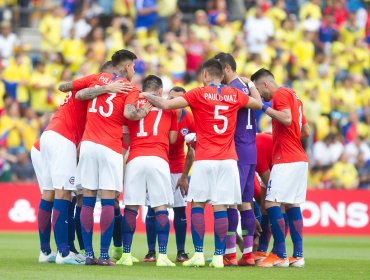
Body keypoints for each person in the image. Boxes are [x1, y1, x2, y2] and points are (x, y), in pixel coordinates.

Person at [142, 58, 263, 268]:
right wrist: (250, 84)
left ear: (205, 75)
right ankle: (219, 257)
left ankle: (198, 254)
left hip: (205, 158)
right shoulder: (234, 94)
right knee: (221, 207)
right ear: (222, 75)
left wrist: (143, 94)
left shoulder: (198, 93)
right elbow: (259, 103)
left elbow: (166, 104)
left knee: (197, 204)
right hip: (228, 160)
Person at [36, 60, 129, 265]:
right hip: (64, 139)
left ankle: (46, 251)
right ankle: (63, 253)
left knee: (50, 193)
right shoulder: (98, 86)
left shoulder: (86, 85)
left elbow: (63, 87)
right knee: (64, 193)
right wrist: (108, 87)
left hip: (46, 138)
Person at [76, 50, 151, 266]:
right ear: (127, 67)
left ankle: (88, 254)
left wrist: (104, 89)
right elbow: (129, 113)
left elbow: (79, 95)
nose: (134, 71)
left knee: (88, 198)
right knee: (109, 199)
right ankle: (103, 255)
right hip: (110, 147)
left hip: (89, 144)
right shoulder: (130, 88)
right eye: (134, 67)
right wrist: (142, 112)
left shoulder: (99, 79)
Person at [251, 68, 310, 268]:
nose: (262, 95)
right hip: (299, 158)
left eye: (260, 90)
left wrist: (263, 107)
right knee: (292, 205)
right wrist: (282, 135)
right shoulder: (295, 95)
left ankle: (280, 255)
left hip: (286, 159)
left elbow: (285, 118)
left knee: (271, 203)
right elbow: (305, 131)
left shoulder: (281, 94)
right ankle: (298, 255)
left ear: (265, 84)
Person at [119, 75, 178, 267]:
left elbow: (126, 140)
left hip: (135, 158)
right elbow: (172, 138)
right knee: (160, 207)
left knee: (131, 208)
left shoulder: (133, 102)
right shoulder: (169, 107)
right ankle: (162, 256)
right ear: (160, 91)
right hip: (158, 158)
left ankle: (126, 255)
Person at [214, 52, 262, 266]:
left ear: (226, 68)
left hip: (237, 149)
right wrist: (251, 82)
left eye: (218, 71)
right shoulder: (245, 87)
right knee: (246, 204)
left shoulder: (231, 90)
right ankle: (248, 254)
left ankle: (230, 254)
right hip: (251, 149)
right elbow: (259, 103)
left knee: (231, 203)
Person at [144, 86, 195, 263]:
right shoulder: (161, 113)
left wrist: (183, 176)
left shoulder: (189, 119)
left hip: (177, 169)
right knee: (153, 208)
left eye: (178, 99)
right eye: (170, 98)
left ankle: (181, 252)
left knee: (180, 211)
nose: (173, 102)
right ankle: (151, 252)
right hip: (159, 166)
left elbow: (192, 151)